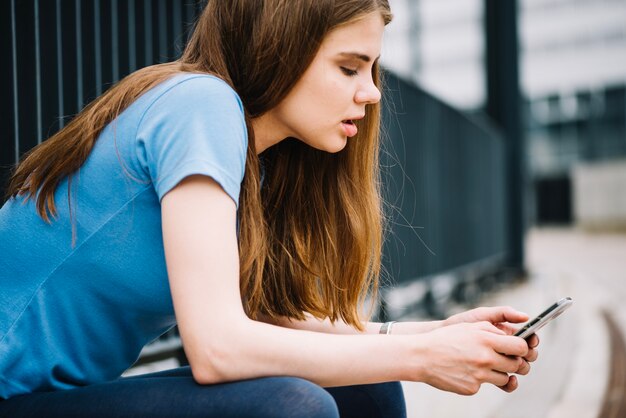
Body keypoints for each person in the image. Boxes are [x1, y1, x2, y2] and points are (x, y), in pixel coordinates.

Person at [0, 0, 540, 417]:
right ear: (280, 49)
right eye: (350, 68)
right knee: (292, 406)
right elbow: (218, 350)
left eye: (372, 69)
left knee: (366, 387)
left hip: (56, 396)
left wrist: (436, 334)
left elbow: (267, 323)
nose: (372, 93)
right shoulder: (201, 106)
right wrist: (426, 362)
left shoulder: (245, 161)